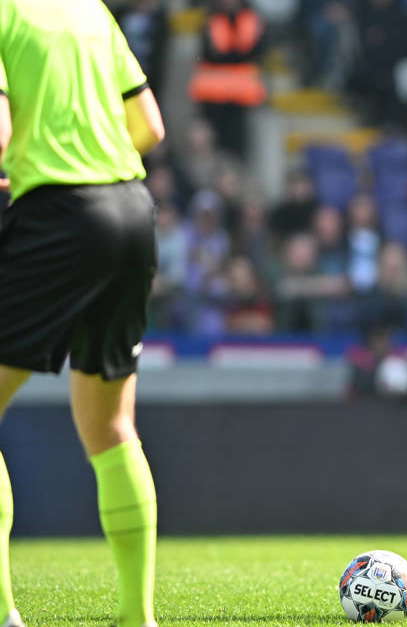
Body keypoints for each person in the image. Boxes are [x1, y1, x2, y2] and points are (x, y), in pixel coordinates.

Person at [0, 1, 166, 626]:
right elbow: (148, 125)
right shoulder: (89, 9)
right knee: (110, 427)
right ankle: (136, 617)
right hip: (129, 209)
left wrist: (48, 161)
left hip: (58, 214)